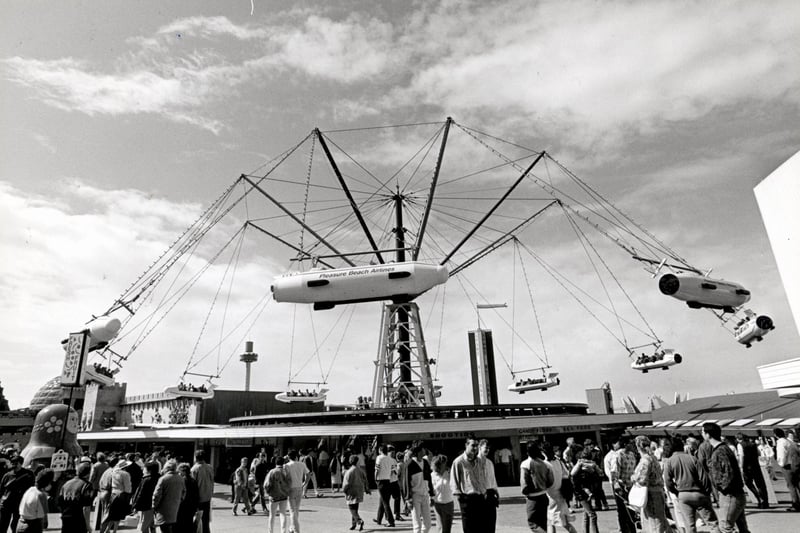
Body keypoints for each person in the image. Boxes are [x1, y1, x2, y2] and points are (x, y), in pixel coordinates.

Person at [662, 436, 719, 533]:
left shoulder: (669, 461)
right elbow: (704, 478)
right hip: (699, 493)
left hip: (683, 495)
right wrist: (706, 492)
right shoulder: (693, 458)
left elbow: (668, 482)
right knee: (712, 523)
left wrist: (676, 492)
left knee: (690, 525)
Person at [703, 423, 749, 533]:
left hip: (730, 494)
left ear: (708, 435)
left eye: (703, 432)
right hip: (736, 493)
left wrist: (720, 487)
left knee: (725, 527)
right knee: (742, 528)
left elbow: (728, 474)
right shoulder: (725, 448)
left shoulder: (719, 451)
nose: (702, 434)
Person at [450, 437, 489, 533]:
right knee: (469, 528)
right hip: (467, 499)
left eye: (477, 446)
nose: (475, 448)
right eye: (473, 445)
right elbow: (454, 481)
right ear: (466, 445)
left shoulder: (480, 461)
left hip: (480, 498)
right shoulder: (459, 462)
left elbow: (482, 477)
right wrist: (460, 497)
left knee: (481, 527)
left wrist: (484, 492)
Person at [632, 435, 670, 533]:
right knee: (659, 520)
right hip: (658, 491)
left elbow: (642, 479)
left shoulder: (645, 460)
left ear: (638, 447)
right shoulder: (653, 457)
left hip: (651, 493)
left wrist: (633, 477)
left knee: (654, 522)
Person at [542, 442, 577, 533]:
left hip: (550, 494)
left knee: (553, 521)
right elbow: (566, 474)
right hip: (561, 492)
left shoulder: (545, 464)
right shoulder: (558, 461)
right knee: (560, 520)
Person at [521, 440, 554, 533]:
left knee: (533, 524)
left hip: (532, 498)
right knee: (543, 523)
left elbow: (524, 484)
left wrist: (526, 492)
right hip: (544, 496)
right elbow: (551, 481)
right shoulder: (547, 464)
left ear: (527, 452)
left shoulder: (525, 464)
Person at [404, 441, 434, 533]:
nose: (425, 450)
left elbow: (429, 479)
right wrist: (408, 499)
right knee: (417, 526)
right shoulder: (410, 464)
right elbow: (406, 482)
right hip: (414, 496)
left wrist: (432, 495)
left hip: (425, 496)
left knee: (428, 524)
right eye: (423, 448)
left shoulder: (425, 462)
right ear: (419, 450)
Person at [58, 462, 95, 533]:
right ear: (88, 473)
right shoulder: (87, 485)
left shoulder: (66, 484)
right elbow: (86, 508)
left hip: (66, 519)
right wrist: (88, 526)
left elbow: (60, 503)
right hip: (79, 521)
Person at [0, 455, 33, 533]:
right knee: (2, 524)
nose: (14, 465)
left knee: (15, 525)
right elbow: (1, 489)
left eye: (16, 463)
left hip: (19, 503)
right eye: (12, 463)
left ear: (21, 463)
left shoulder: (28, 474)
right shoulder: (7, 475)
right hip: (6, 504)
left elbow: (31, 488)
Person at [571, 448, 601, 533]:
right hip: (582, 492)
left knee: (586, 514)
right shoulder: (582, 466)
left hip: (582, 492)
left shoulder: (580, 466)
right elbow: (600, 473)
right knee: (592, 515)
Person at [735, 433, 769, 508]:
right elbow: (758, 453)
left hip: (747, 467)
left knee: (748, 483)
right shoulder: (753, 444)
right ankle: (765, 501)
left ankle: (759, 498)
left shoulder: (740, 445)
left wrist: (741, 467)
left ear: (738, 438)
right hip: (756, 466)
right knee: (760, 484)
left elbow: (742, 456)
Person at [100, 457, 133, 533]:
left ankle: (106, 529)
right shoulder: (125, 474)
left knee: (111, 513)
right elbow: (128, 487)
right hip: (122, 494)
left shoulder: (114, 472)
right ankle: (114, 530)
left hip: (113, 493)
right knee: (118, 515)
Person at [153, 460, 186, 533]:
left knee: (165, 529)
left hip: (163, 509)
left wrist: (154, 506)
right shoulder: (180, 478)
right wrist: (179, 500)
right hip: (175, 507)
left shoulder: (163, 479)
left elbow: (156, 495)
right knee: (170, 528)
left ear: (166, 468)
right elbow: (184, 492)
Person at [15, 468, 53, 533]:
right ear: (48, 483)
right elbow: (43, 516)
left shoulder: (30, 490)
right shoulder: (41, 495)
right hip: (32, 526)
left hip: (20, 523)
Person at [775, 427, 800, 511]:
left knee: (791, 485)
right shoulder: (792, 443)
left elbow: (781, 455)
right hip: (796, 465)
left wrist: (781, 464)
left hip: (788, 466)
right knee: (796, 484)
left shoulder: (781, 443)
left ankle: (795, 504)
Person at [284, 449, 309, 533]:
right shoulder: (302, 464)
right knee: (296, 509)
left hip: (291, 488)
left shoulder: (286, 466)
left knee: (292, 510)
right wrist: (304, 483)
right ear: (296, 456)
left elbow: (284, 477)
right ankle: (292, 527)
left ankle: (296, 529)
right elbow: (308, 474)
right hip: (299, 487)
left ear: (288, 457)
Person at [131, 462, 160, 533]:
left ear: (149, 470)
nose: (143, 469)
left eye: (144, 468)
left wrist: (135, 506)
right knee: (151, 524)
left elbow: (140, 494)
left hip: (146, 505)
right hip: (156, 504)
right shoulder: (159, 478)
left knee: (144, 525)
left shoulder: (146, 480)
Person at [343, 454, 370, 531]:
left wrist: (344, 491)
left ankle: (359, 520)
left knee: (351, 508)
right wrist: (367, 489)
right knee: (355, 508)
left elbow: (346, 484)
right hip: (359, 491)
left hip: (351, 491)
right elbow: (365, 480)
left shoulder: (349, 472)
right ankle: (353, 524)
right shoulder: (360, 470)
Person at [190, 450, 214, 533]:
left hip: (198, 498)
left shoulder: (194, 469)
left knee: (198, 520)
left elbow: (192, 485)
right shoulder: (210, 467)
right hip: (207, 496)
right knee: (205, 520)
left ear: (196, 458)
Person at [373, 444, 397, 527]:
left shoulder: (379, 457)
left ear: (380, 450)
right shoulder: (390, 459)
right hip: (388, 480)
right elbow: (393, 471)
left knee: (385, 502)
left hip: (381, 480)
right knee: (383, 500)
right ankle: (379, 519)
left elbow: (377, 469)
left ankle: (391, 521)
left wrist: (375, 479)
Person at [479, 439, 499, 533]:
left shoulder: (489, 462)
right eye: (485, 447)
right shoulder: (475, 462)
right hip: (479, 494)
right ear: (479, 447)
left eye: (488, 448)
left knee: (491, 522)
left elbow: (492, 479)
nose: (487, 450)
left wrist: (496, 493)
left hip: (490, 493)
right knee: (481, 523)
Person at [265, 456, 290, 533]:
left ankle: (271, 531)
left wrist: (268, 492)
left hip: (274, 496)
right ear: (283, 463)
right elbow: (289, 483)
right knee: (283, 514)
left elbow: (266, 484)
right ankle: (283, 531)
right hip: (284, 495)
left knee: (272, 515)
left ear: (275, 462)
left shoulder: (272, 471)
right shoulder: (286, 471)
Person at [431, 455, 454, 533]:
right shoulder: (433, 475)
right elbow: (432, 490)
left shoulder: (449, 473)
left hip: (448, 502)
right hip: (438, 503)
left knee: (447, 528)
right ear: (438, 464)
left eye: (445, 462)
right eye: (443, 463)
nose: (445, 464)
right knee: (440, 527)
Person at [176, 463, 199, 533]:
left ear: (183, 471)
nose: (178, 473)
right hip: (191, 508)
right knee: (189, 525)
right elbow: (197, 495)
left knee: (180, 527)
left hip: (182, 507)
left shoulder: (181, 481)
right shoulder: (193, 481)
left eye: (179, 471)